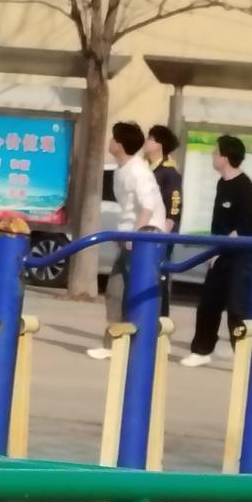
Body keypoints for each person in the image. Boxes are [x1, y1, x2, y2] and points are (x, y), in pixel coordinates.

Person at [183, 135, 252, 368]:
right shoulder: (223, 183)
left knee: (237, 308)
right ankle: (201, 350)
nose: (212, 156)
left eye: (215, 152)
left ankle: (247, 357)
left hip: (241, 257)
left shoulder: (244, 187)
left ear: (225, 157)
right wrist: (215, 250)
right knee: (208, 304)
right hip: (220, 253)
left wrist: (232, 238)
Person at [87, 122, 165, 360]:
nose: (110, 142)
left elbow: (148, 205)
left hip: (146, 240)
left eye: (113, 138)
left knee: (139, 294)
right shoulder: (121, 169)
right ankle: (113, 344)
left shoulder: (138, 171)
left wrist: (136, 235)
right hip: (131, 237)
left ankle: (143, 345)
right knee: (115, 291)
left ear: (120, 145)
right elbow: (128, 209)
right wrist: (123, 233)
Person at [145, 125, 182, 317]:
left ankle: (161, 318)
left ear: (159, 145)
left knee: (158, 275)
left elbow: (174, 202)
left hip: (161, 233)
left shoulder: (169, 172)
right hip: (147, 231)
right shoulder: (149, 168)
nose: (146, 142)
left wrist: (167, 227)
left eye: (150, 139)